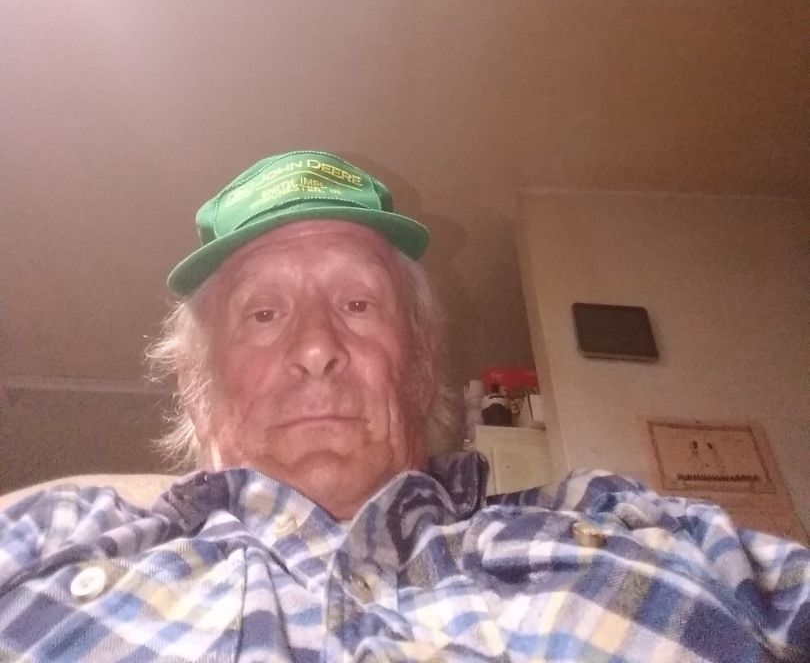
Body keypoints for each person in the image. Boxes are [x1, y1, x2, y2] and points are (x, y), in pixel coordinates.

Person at [0, 150, 807, 662]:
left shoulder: (637, 528)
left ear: (421, 368)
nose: (316, 346)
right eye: (264, 313)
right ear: (196, 388)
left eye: (357, 304)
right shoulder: (48, 537)